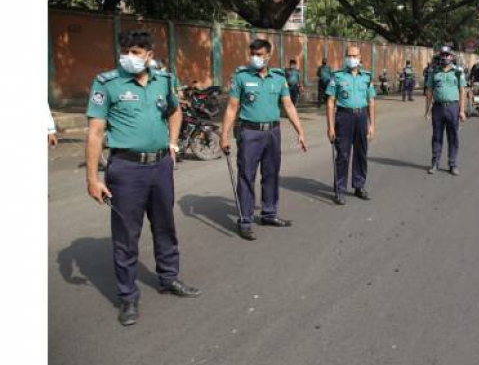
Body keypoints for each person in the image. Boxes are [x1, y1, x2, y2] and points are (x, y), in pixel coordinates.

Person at [85, 30, 200, 326]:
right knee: (126, 235)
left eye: (136, 52)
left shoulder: (164, 81)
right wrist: (92, 178)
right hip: (126, 169)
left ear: (149, 55)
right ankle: (127, 297)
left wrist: (173, 144)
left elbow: (175, 113)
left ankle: (168, 278)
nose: (129, 57)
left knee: (165, 225)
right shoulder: (106, 83)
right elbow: (95, 133)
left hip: (161, 166)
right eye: (125, 50)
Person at [220, 39, 308, 241]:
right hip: (249, 133)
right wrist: (224, 135)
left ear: (268, 55)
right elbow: (232, 107)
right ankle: (245, 220)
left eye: (259, 54)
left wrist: (300, 131)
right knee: (246, 176)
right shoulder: (241, 77)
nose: (255, 57)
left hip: (273, 133)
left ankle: (269, 213)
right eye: (252, 53)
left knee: (271, 174)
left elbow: (288, 106)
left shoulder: (278, 78)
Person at [326, 46, 376, 205]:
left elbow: (371, 102)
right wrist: (330, 126)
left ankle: (359, 185)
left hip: (361, 117)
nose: (352, 58)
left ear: (360, 57)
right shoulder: (337, 76)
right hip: (343, 117)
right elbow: (330, 102)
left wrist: (372, 124)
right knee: (343, 155)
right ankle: (339, 190)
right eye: (349, 55)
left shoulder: (367, 77)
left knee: (361, 153)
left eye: (354, 55)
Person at [425, 47, 466, 176]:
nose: (445, 57)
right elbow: (429, 91)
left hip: (453, 107)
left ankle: (452, 164)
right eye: (443, 54)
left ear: (452, 57)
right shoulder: (434, 71)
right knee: (437, 136)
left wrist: (462, 110)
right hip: (437, 108)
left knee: (453, 137)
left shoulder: (458, 72)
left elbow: (462, 91)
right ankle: (435, 163)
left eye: (447, 55)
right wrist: (427, 110)